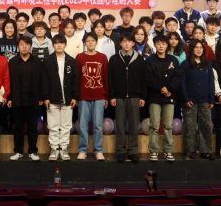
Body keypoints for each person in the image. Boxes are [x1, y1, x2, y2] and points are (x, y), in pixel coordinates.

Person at [108, 33, 146, 163]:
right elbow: (110, 79)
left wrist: (142, 96)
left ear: (133, 43)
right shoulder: (114, 59)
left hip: (135, 97)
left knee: (134, 126)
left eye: (129, 41)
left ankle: (133, 151)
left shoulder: (139, 59)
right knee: (120, 125)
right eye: (124, 41)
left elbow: (143, 79)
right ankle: (120, 151)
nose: (126, 44)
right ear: (120, 43)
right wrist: (112, 96)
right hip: (119, 97)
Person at [42, 34, 80, 161]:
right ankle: (54, 148)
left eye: (61, 43)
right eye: (56, 43)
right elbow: (44, 80)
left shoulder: (71, 61)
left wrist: (75, 96)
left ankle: (63, 148)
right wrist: (46, 97)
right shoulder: (47, 61)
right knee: (53, 125)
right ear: (53, 45)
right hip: (52, 99)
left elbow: (75, 80)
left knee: (66, 126)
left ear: (65, 45)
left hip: (68, 99)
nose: (59, 45)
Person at [146, 34, 182, 162]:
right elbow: (148, 78)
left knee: (168, 125)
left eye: (163, 43)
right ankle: (153, 150)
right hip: (154, 97)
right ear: (154, 45)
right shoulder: (149, 60)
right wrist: (161, 88)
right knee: (154, 125)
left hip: (169, 96)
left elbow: (177, 77)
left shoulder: (173, 60)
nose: (161, 46)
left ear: (167, 45)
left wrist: (169, 88)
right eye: (158, 43)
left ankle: (168, 150)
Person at [8, 36, 43, 161]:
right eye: (22, 44)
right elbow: (9, 82)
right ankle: (18, 151)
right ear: (18, 47)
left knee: (33, 127)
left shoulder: (37, 61)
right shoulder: (12, 62)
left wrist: (41, 97)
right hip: (17, 99)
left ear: (31, 46)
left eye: (27, 44)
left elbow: (42, 81)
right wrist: (10, 98)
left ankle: (33, 151)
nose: (24, 47)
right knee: (18, 127)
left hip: (33, 99)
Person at [75, 32, 109, 161]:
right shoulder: (80, 57)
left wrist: (106, 96)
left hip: (99, 96)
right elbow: (77, 78)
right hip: (84, 96)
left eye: (92, 40)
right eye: (88, 40)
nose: (90, 43)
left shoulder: (102, 57)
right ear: (84, 43)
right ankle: (82, 150)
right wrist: (76, 96)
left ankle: (98, 150)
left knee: (98, 125)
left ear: (96, 42)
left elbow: (105, 78)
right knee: (83, 125)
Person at [181, 39, 215, 160]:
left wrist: (211, 99)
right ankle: (190, 150)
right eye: (196, 47)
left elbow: (211, 82)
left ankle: (206, 151)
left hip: (205, 100)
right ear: (191, 49)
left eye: (201, 47)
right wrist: (185, 98)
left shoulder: (208, 64)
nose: (199, 50)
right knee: (190, 127)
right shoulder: (185, 64)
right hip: (190, 101)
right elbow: (182, 83)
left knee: (205, 126)